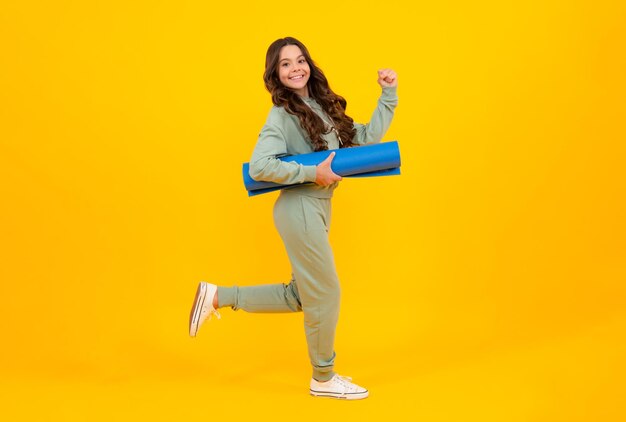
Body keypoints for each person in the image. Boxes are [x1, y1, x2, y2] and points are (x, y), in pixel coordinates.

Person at [189, 36, 398, 400]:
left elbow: (364, 141)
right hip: (299, 206)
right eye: (285, 64)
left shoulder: (319, 105)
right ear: (276, 73)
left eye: (300, 60)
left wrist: (387, 96)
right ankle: (323, 377)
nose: (295, 68)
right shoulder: (281, 115)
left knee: (301, 296)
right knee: (327, 292)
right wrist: (312, 173)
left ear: (309, 64)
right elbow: (260, 165)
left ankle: (218, 296)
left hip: (317, 207)